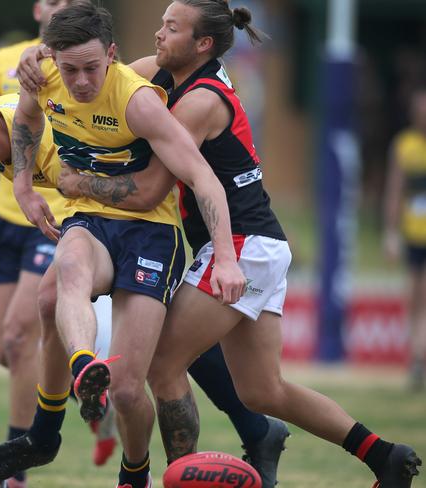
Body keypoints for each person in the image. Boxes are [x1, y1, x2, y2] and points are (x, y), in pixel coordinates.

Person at [70, 2, 418, 487]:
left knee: (164, 363)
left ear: (203, 44)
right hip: (257, 244)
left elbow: (150, 189)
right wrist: (47, 68)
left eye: (172, 28)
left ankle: (177, 477)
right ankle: (384, 455)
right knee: (262, 392)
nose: (158, 35)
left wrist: (78, 182)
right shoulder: (173, 73)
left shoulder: (198, 102)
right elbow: (106, 81)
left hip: (240, 247)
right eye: (162, 24)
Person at [0, 3, 246, 487]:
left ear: (112, 55)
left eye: (91, 69)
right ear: (53, 59)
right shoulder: (44, 77)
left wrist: (225, 258)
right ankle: (80, 369)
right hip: (90, 221)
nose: (79, 82)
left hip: (152, 234)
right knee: (63, 279)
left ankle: (133, 467)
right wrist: (24, 186)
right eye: (69, 69)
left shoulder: (137, 100)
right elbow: (27, 121)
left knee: (129, 390)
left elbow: (202, 177)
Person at [0, 0, 116, 481]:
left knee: (21, 335)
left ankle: (19, 462)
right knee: (5, 347)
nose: (58, 9)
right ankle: (99, 407)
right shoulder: (4, 64)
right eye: (53, 2)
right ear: (39, 8)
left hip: (56, 213)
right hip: (7, 218)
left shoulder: (87, 67)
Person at [384, 88, 426, 392]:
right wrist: (391, 231)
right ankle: (416, 359)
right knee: (413, 300)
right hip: (414, 234)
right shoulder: (405, 145)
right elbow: (395, 191)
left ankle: (419, 359)